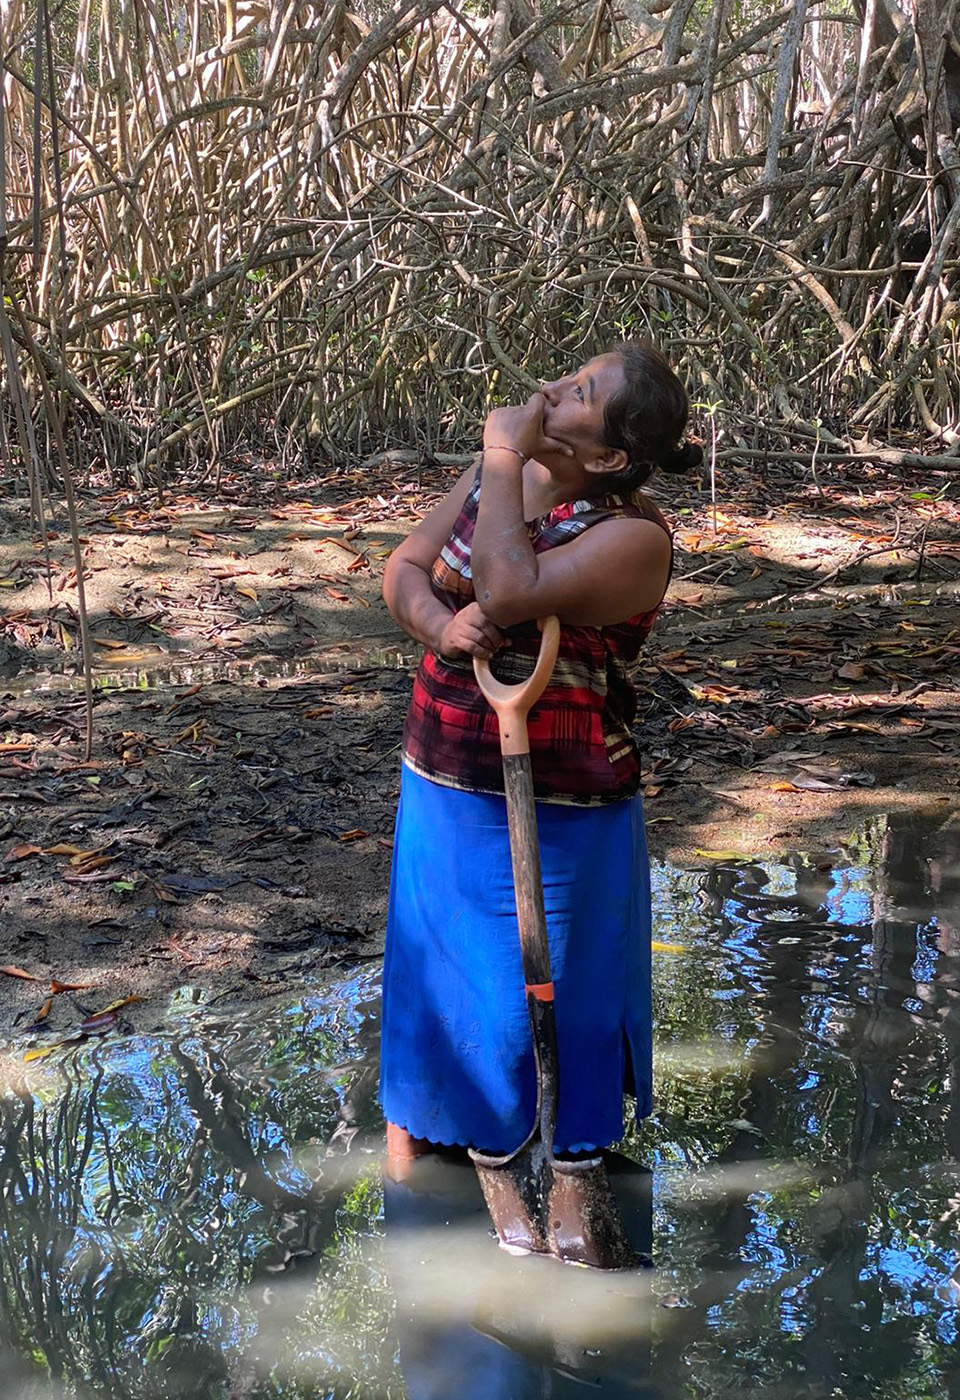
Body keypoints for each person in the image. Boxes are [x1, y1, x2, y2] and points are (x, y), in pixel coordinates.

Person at [378, 342, 702, 1218]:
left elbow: (507, 585)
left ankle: (574, 1173)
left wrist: (499, 457)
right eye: (569, 374)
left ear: (607, 457)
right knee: (447, 984)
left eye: (581, 393)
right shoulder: (495, 480)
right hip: (442, 785)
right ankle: (429, 1153)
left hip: (568, 813)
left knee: (560, 995)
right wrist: (438, 630)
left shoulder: (632, 538)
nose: (551, 389)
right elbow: (404, 570)